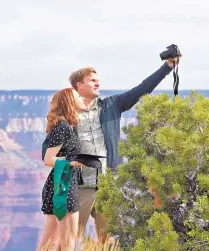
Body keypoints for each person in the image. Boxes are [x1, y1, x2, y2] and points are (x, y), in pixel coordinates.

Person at [69, 55, 182, 242]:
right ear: (79, 86)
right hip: (81, 185)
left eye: (98, 80)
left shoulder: (112, 105)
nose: (97, 84)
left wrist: (167, 67)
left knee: (108, 239)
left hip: (108, 184)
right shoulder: (70, 115)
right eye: (92, 81)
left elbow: (142, 89)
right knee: (69, 237)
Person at [36, 87, 88, 251]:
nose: (82, 97)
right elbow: (48, 159)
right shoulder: (63, 127)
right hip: (63, 186)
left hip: (62, 183)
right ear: (69, 102)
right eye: (78, 96)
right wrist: (76, 161)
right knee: (66, 243)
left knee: (51, 243)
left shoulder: (68, 126)